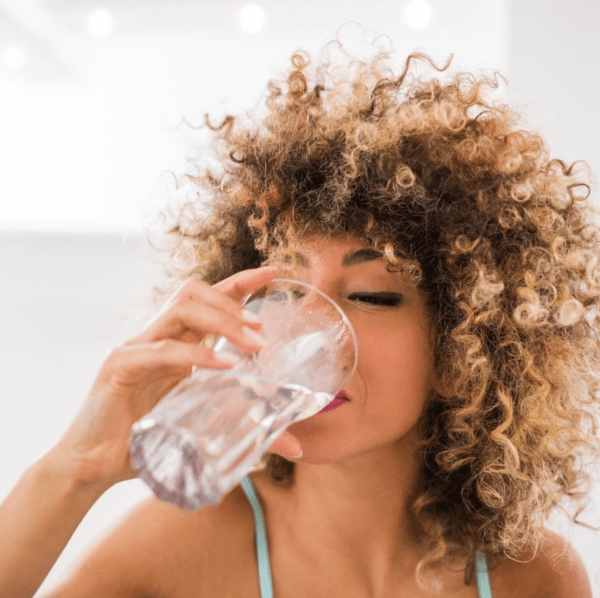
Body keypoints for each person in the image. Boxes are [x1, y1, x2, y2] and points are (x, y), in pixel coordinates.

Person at [1, 36, 598, 598]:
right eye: (284, 288)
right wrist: (75, 470)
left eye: (370, 294)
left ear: (462, 357)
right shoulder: (186, 545)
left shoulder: (534, 576)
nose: (305, 328)